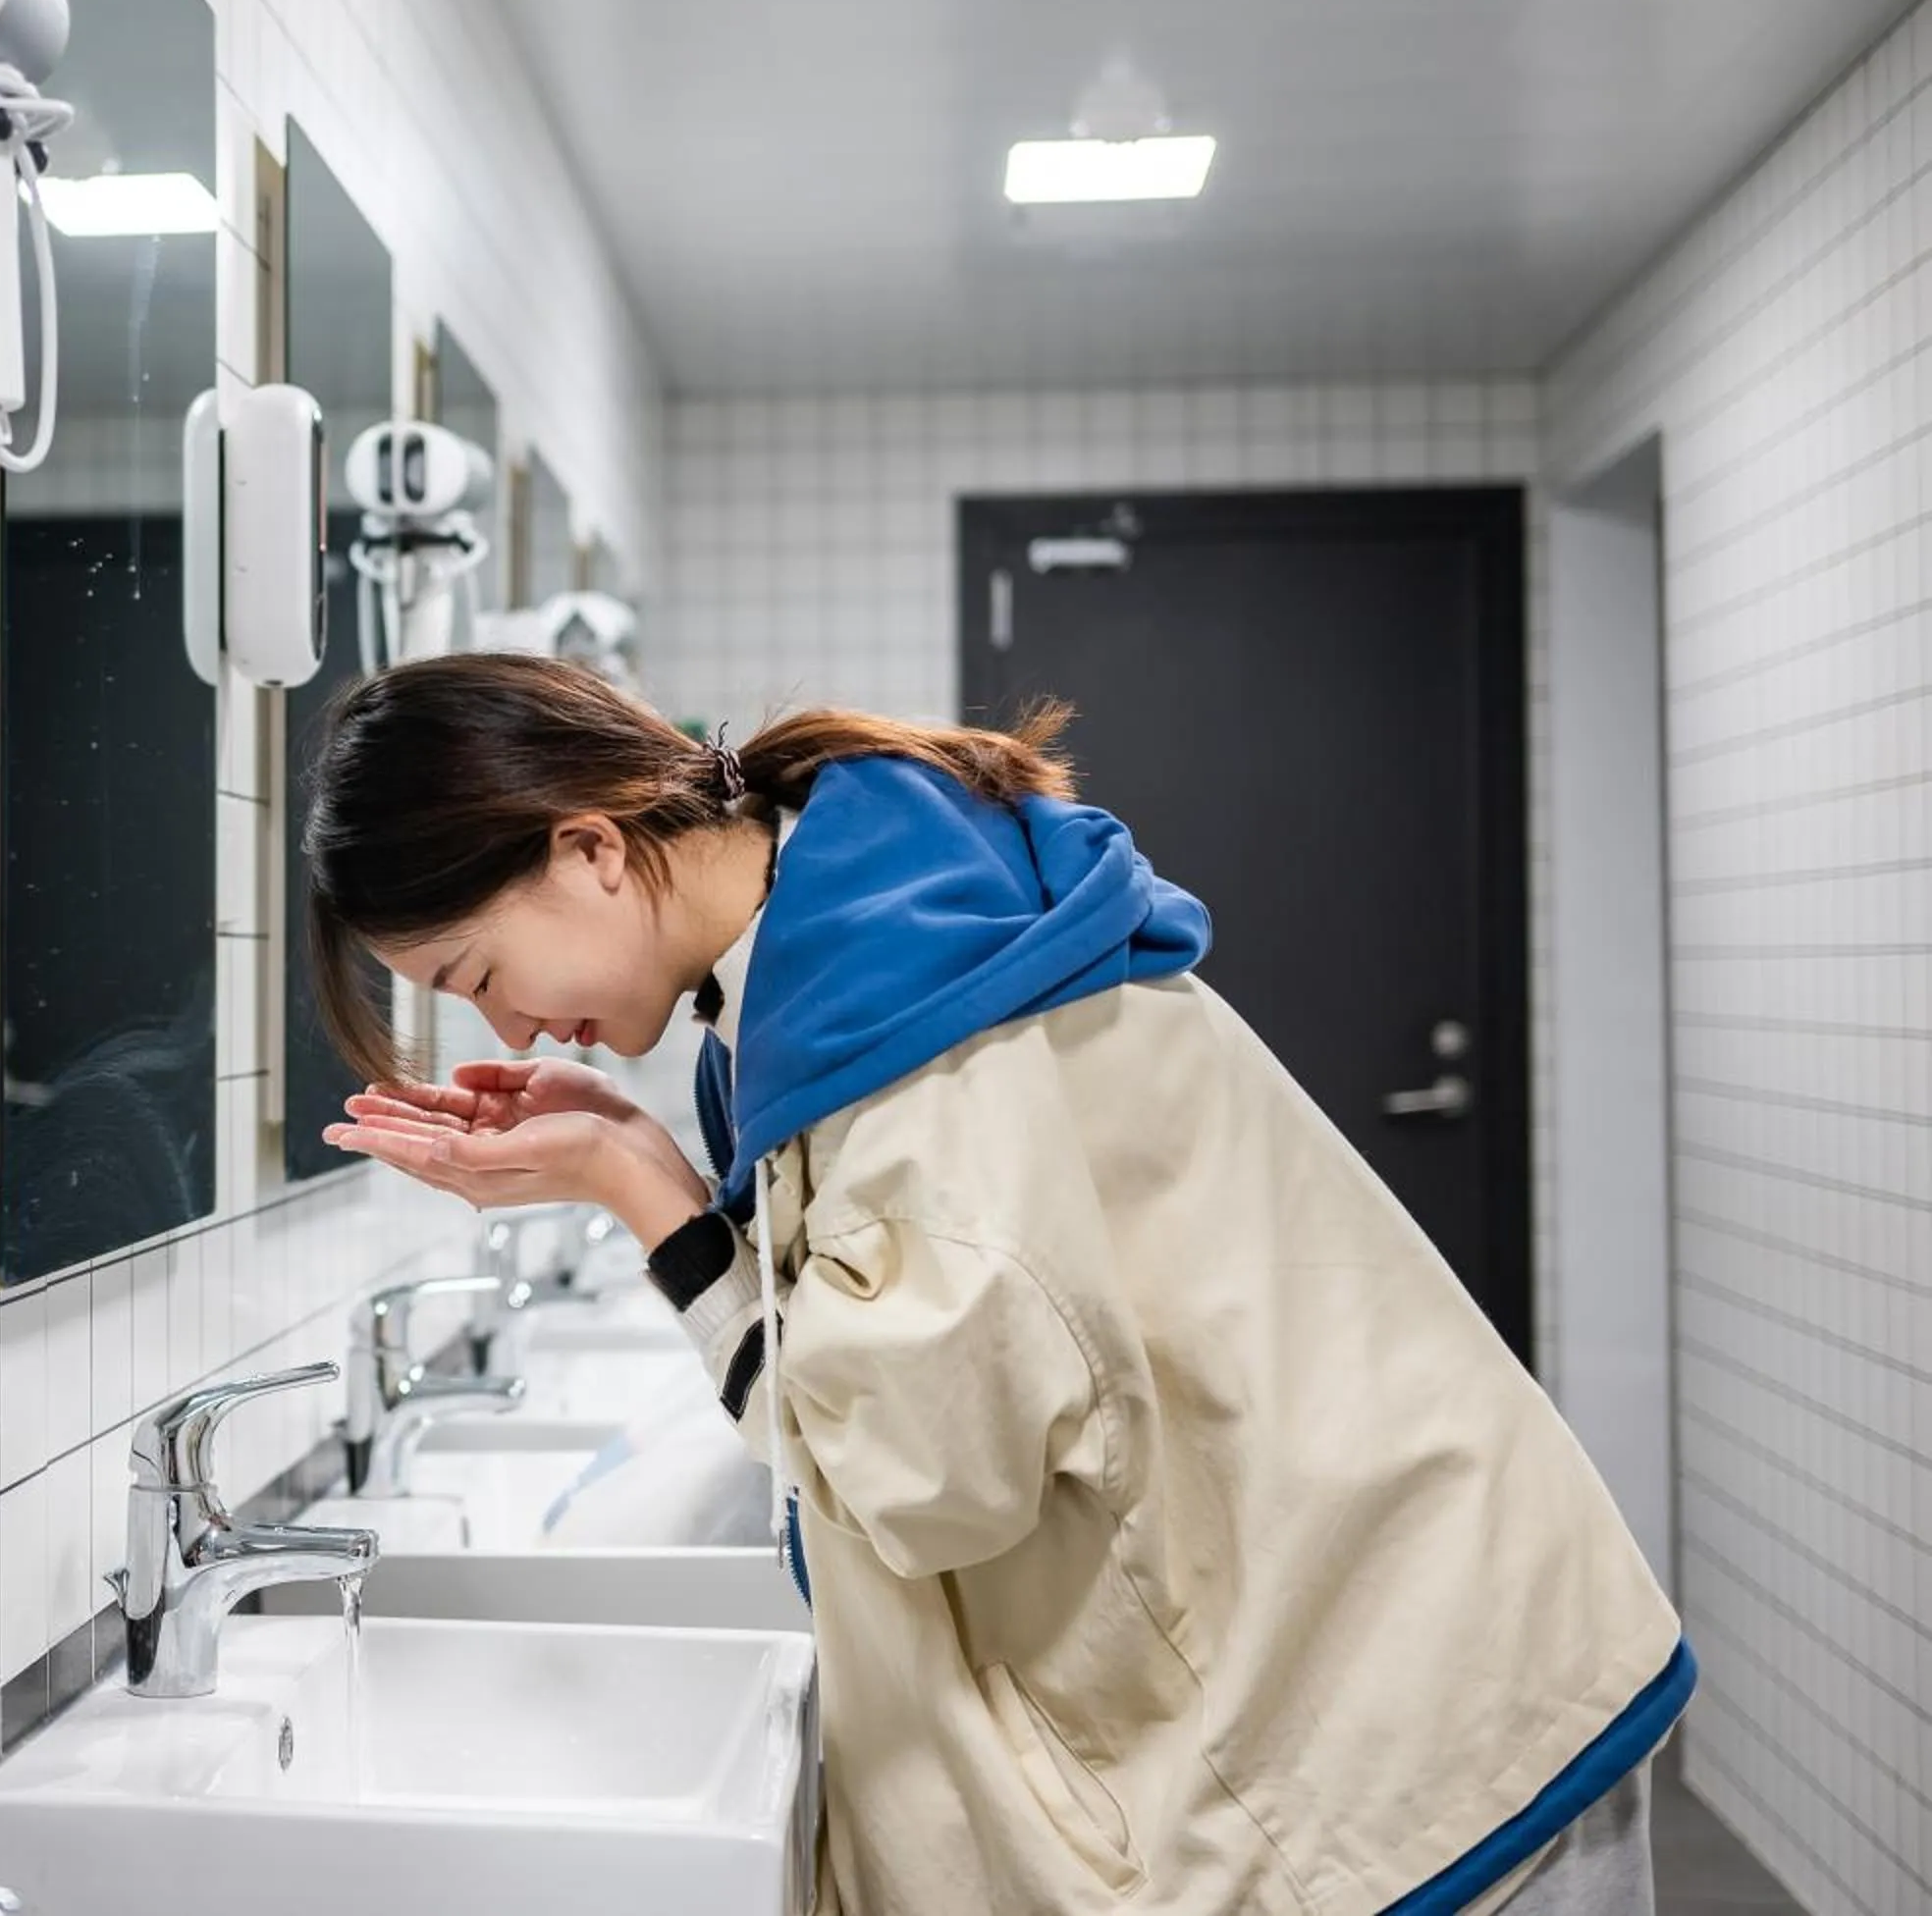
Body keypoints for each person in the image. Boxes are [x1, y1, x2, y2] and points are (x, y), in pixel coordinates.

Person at [304, 653, 1690, 1916]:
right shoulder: (851, 954)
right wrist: (634, 1160)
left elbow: (924, 1475)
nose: (510, 1026)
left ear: (591, 847)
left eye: (476, 972)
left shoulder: (904, 1016)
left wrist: (637, 1189)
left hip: (1403, 1719)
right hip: (1374, 1631)